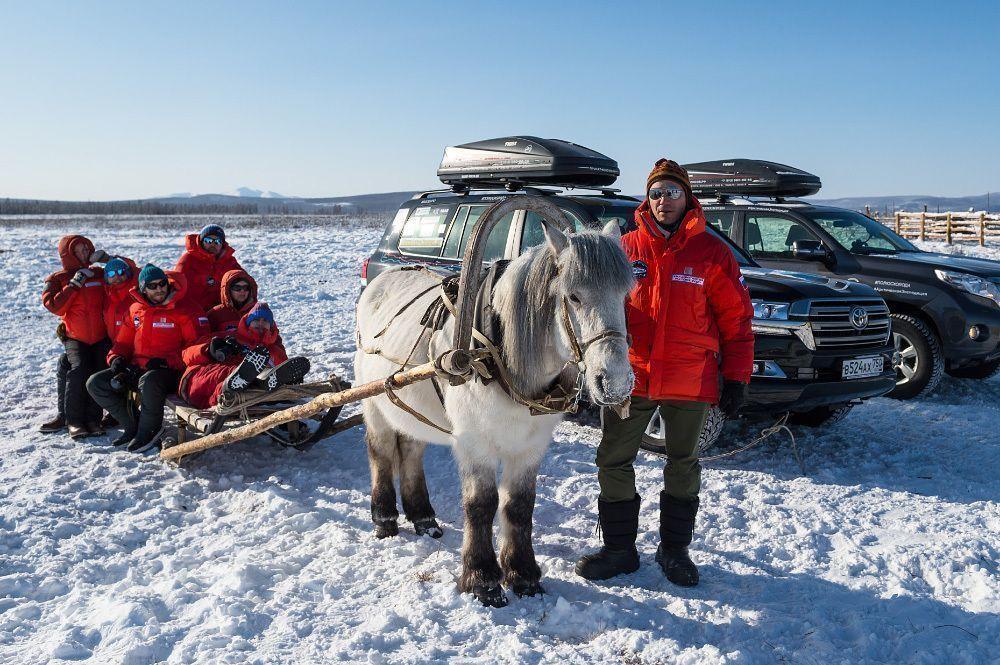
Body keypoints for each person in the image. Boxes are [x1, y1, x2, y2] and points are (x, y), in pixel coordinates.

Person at [575, 159, 754, 587]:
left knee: (683, 464)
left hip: (690, 381)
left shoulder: (712, 253)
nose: (664, 201)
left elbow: (737, 320)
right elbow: (594, 312)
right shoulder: (625, 249)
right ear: (647, 199)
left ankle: (674, 551)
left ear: (687, 197)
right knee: (614, 461)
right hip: (629, 378)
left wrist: (737, 376)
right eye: (656, 193)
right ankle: (619, 550)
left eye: (672, 192)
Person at [87, 265, 209, 453]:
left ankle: (150, 430)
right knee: (96, 383)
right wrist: (116, 358)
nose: (159, 289)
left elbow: (196, 347)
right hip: (140, 367)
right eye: (153, 286)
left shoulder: (185, 309)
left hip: (172, 371)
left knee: (150, 380)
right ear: (143, 289)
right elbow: (123, 342)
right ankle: (134, 425)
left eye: (162, 284)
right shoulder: (136, 309)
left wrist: (167, 362)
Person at [41, 235, 112, 439]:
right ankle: (74, 421)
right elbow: (54, 306)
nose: (84, 253)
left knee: (98, 373)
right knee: (79, 370)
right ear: (68, 254)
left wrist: (110, 260)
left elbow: (133, 275)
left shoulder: (99, 274)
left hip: (100, 337)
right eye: (79, 250)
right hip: (75, 337)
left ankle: (93, 420)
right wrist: (74, 283)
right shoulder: (57, 279)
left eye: (86, 249)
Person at [179, 302, 309, 409]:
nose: (260, 323)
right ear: (248, 322)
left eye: (265, 321)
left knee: (258, 381)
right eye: (256, 319)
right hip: (199, 381)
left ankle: (254, 383)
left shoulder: (275, 350)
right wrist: (209, 350)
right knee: (231, 373)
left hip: (244, 395)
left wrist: (290, 379)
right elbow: (186, 354)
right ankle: (250, 382)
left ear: (271, 325)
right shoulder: (229, 336)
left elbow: (280, 371)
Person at [175, 224, 245, 311]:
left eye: (217, 241)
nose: (213, 244)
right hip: (194, 311)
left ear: (222, 244)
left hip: (222, 310)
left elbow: (245, 280)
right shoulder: (188, 260)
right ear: (201, 241)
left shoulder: (229, 261)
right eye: (208, 240)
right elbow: (177, 286)